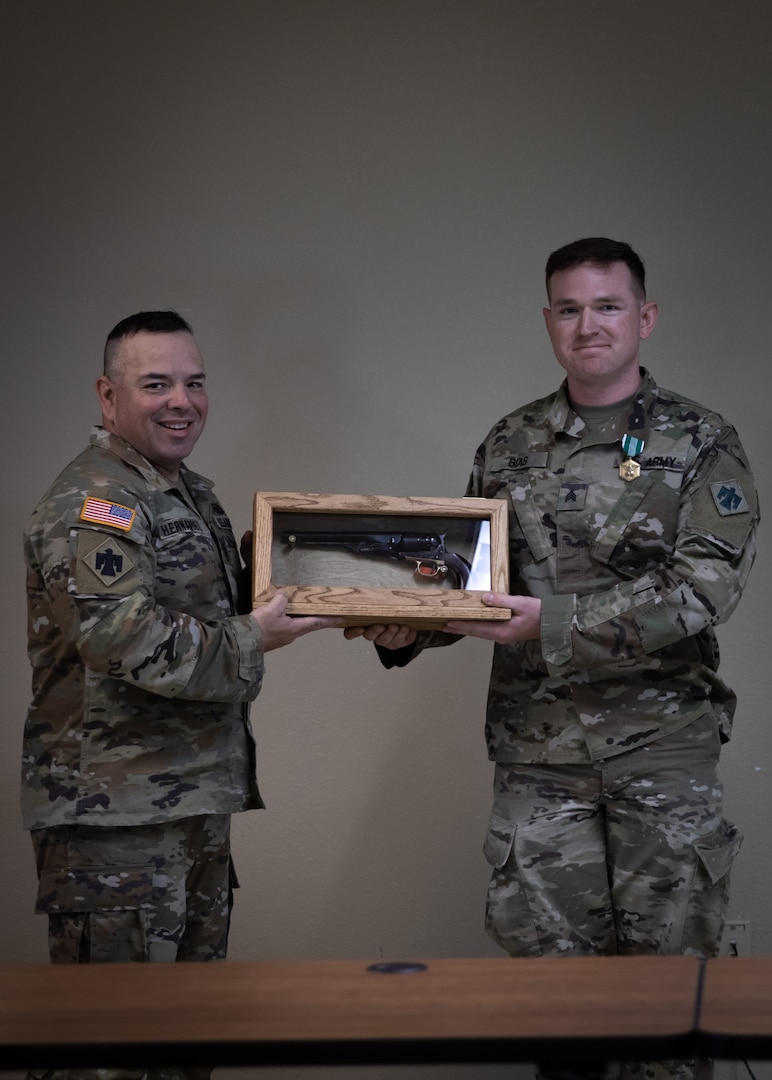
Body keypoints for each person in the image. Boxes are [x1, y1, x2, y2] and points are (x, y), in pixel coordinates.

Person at [347, 238, 759, 1080]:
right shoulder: (510, 442)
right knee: (558, 1016)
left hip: (663, 752)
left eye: (607, 306)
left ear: (644, 317)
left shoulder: (704, 441)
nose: (588, 325)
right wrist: (403, 624)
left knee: (669, 1014)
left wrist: (550, 623)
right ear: (548, 322)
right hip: (541, 759)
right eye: (568, 309)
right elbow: (471, 579)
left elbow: (703, 590)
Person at [22, 310, 341, 1080]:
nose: (181, 401)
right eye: (156, 384)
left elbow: (228, 596)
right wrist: (253, 638)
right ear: (108, 396)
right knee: (110, 1054)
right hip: (117, 828)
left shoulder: (180, 491)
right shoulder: (96, 501)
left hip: (185, 811)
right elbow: (121, 639)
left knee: (186, 1047)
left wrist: (369, 593)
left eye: (194, 383)